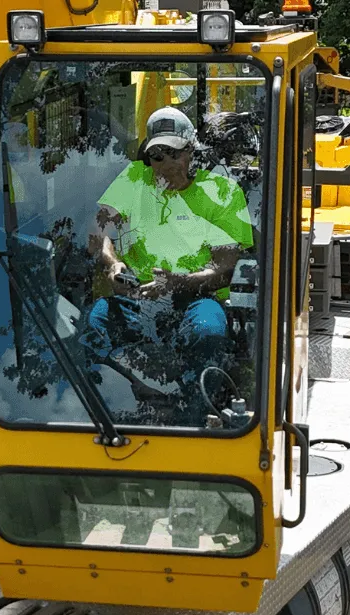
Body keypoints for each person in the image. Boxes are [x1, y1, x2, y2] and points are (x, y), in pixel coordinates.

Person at [83, 106, 254, 425]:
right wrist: (113, 266)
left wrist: (176, 283)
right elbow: (99, 231)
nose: (164, 164)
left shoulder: (221, 192)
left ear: (191, 150)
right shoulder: (134, 178)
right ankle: (105, 410)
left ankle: (192, 413)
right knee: (96, 323)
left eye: (173, 153)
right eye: (156, 156)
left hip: (195, 298)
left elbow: (225, 270)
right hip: (135, 299)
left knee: (208, 331)